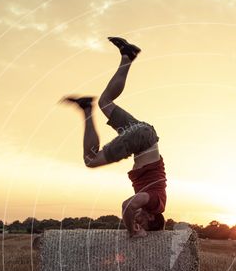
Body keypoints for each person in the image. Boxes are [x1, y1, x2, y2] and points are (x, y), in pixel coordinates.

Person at [62, 37, 166, 238]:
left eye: (138, 223)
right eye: (142, 222)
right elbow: (128, 205)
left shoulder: (156, 198)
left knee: (105, 102)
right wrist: (133, 231)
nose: (138, 220)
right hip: (141, 141)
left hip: (146, 134)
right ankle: (86, 109)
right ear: (152, 217)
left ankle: (128, 55)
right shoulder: (156, 203)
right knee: (91, 160)